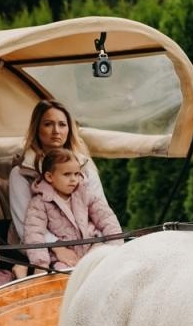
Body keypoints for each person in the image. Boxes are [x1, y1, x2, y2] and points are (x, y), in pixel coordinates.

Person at [7, 99, 114, 239]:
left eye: (62, 125)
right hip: (39, 247)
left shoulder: (85, 168)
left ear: (69, 129)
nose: (56, 131)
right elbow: (25, 225)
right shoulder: (21, 173)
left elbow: (102, 214)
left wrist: (98, 241)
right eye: (48, 124)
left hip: (86, 241)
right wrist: (58, 247)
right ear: (37, 128)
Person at [23, 148, 122, 271]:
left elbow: (107, 219)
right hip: (63, 259)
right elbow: (34, 234)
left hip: (92, 248)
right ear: (49, 177)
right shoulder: (39, 202)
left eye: (76, 174)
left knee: (105, 267)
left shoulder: (86, 194)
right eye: (67, 174)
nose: (73, 179)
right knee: (61, 276)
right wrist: (40, 264)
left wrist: (116, 248)